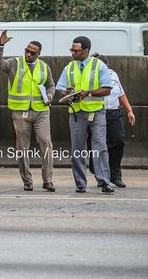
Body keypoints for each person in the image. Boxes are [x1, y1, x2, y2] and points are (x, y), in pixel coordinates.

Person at [0, 30, 56, 192]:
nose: (28, 54)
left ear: (38, 54)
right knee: (22, 147)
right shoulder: (15, 63)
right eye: (27, 51)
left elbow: (51, 85)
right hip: (20, 112)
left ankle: (47, 180)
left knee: (46, 142)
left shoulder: (44, 66)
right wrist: (1, 46)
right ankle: (27, 180)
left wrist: (50, 95)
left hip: (41, 111)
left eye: (32, 53)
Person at [56, 36, 114, 193]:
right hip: (77, 113)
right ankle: (80, 183)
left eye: (76, 50)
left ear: (86, 51)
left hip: (96, 112)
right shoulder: (69, 67)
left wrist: (87, 93)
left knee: (100, 147)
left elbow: (107, 89)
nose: (72, 53)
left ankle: (104, 181)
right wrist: (66, 92)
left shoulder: (98, 65)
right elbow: (60, 88)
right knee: (77, 149)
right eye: (71, 50)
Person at [87, 54, 136, 187]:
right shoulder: (89, 76)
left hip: (113, 113)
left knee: (118, 142)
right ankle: (101, 174)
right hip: (96, 113)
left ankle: (115, 176)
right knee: (97, 145)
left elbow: (121, 93)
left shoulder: (113, 74)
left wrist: (129, 110)